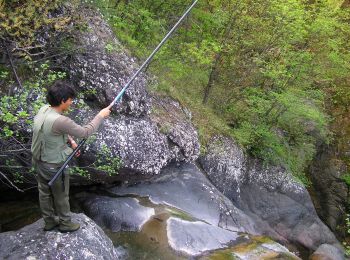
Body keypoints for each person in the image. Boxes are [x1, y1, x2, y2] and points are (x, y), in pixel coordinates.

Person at [31, 80, 111, 232]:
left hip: (38, 161)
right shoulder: (62, 120)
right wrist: (100, 116)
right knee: (61, 196)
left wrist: (71, 141)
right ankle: (66, 223)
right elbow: (86, 132)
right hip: (54, 166)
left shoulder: (44, 110)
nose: (71, 103)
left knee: (44, 193)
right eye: (70, 100)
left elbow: (54, 129)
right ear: (62, 101)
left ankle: (49, 221)